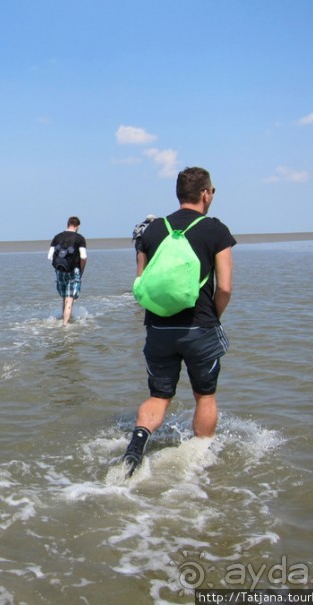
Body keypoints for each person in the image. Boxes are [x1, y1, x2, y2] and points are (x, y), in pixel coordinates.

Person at [122, 167, 236, 476]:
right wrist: (213, 318)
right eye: (212, 191)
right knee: (205, 395)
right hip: (200, 327)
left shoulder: (153, 230)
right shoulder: (215, 230)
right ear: (205, 193)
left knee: (158, 397)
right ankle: (199, 461)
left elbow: (141, 283)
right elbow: (224, 287)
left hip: (158, 329)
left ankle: (136, 446)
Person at [47, 216, 88, 326]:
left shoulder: (57, 237)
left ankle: (63, 317)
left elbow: (49, 256)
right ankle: (65, 325)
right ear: (77, 226)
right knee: (69, 299)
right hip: (73, 270)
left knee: (64, 297)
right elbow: (83, 257)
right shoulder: (79, 238)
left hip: (60, 270)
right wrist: (80, 272)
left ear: (67, 224)